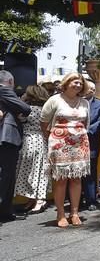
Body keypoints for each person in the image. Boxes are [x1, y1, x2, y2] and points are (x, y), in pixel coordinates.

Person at [40, 73, 91, 227]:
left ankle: (74, 212)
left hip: (80, 144)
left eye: (80, 83)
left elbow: (86, 123)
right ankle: (60, 213)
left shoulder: (84, 102)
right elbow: (44, 123)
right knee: (60, 179)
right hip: (59, 143)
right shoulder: (54, 100)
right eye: (75, 82)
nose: (78, 85)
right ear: (66, 83)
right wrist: (54, 139)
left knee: (76, 178)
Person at [0, 70, 32, 222]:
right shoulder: (4, 90)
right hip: (6, 139)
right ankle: (3, 211)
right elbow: (26, 109)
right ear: (11, 82)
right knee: (6, 176)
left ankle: (5, 211)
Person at [15, 85, 51, 214]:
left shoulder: (28, 110)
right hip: (42, 141)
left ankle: (39, 200)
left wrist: (21, 99)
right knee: (39, 169)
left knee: (30, 170)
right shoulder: (44, 110)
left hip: (30, 140)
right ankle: (35, 198)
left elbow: (19, 118)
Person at [82, 81, 100, 211]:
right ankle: (75, 199)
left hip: (91, 141)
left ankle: (91, 199)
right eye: (88, 88)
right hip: (73, 142)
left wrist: (88, 130)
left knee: (90, 172)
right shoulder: (73, 102)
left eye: (93, 89)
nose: (91, 90)